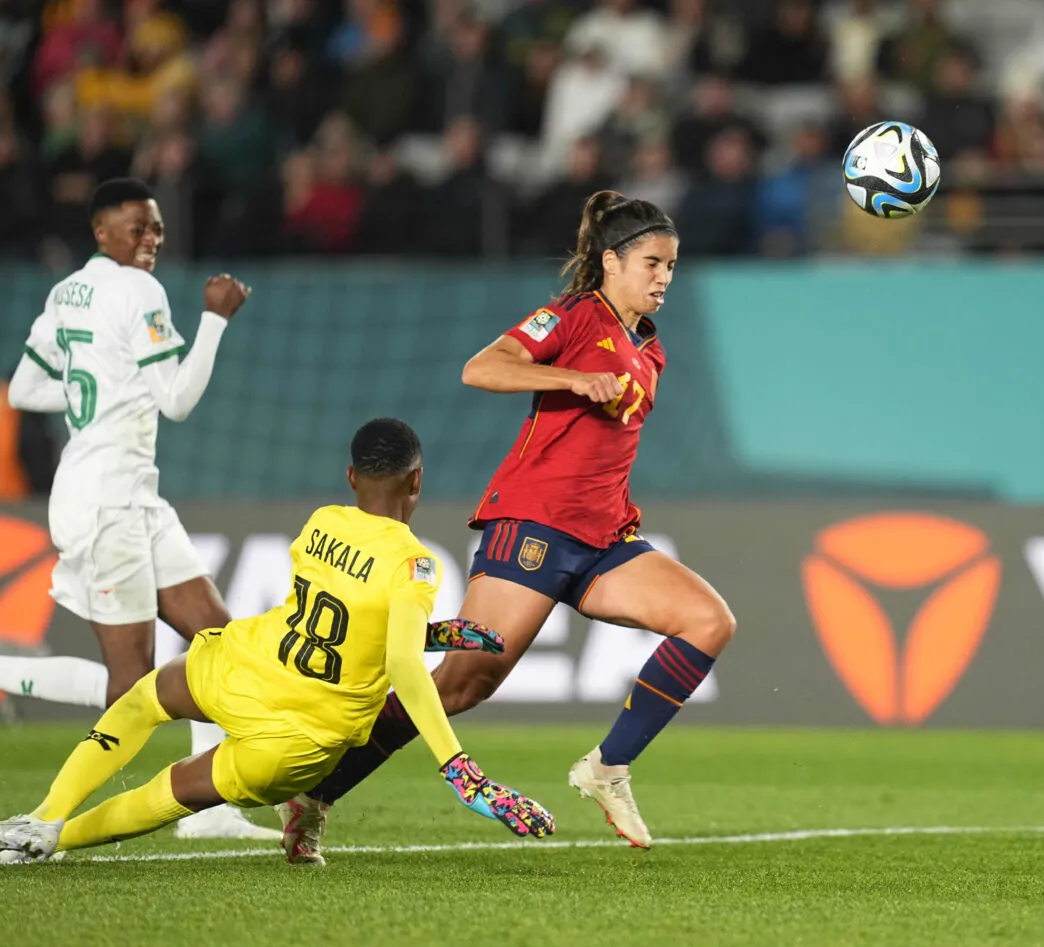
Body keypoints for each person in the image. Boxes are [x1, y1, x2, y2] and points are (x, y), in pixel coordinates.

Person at [278, 190, 735, 858]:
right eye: (651, 262)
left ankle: (607, 767)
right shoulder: (576, 315)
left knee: (709, 620)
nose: (664, 276)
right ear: (611, 261)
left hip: (605, 538)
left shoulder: (650, 351)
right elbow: (482, 366)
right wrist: (573, 379)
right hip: (534, 526)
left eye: (671, 265)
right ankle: (316, 793)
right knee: (463, 682)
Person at [0, 419, 555, 865]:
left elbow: (344, 618)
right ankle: (55, 841)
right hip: (301, 736)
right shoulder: (416, 564)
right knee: (175, 789)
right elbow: (393, 655)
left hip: (249, 665)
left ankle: (42, 817)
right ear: (417, 479)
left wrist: (437, 633)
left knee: (143, 698)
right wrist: (462, 771)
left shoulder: (320, 524)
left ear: (351, 477)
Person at [0, 178, 266, 840]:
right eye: (136, 227)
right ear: (101, 231)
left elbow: (29, 386)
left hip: (129, 493)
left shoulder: (66, 291)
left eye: (155, 228)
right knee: (134, 688)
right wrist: (215, 317)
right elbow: (177, 400)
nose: (150, 239)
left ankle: (213, 814)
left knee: (217, 637)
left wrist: (96, 392)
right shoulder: (139, 290)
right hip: (106, 502)